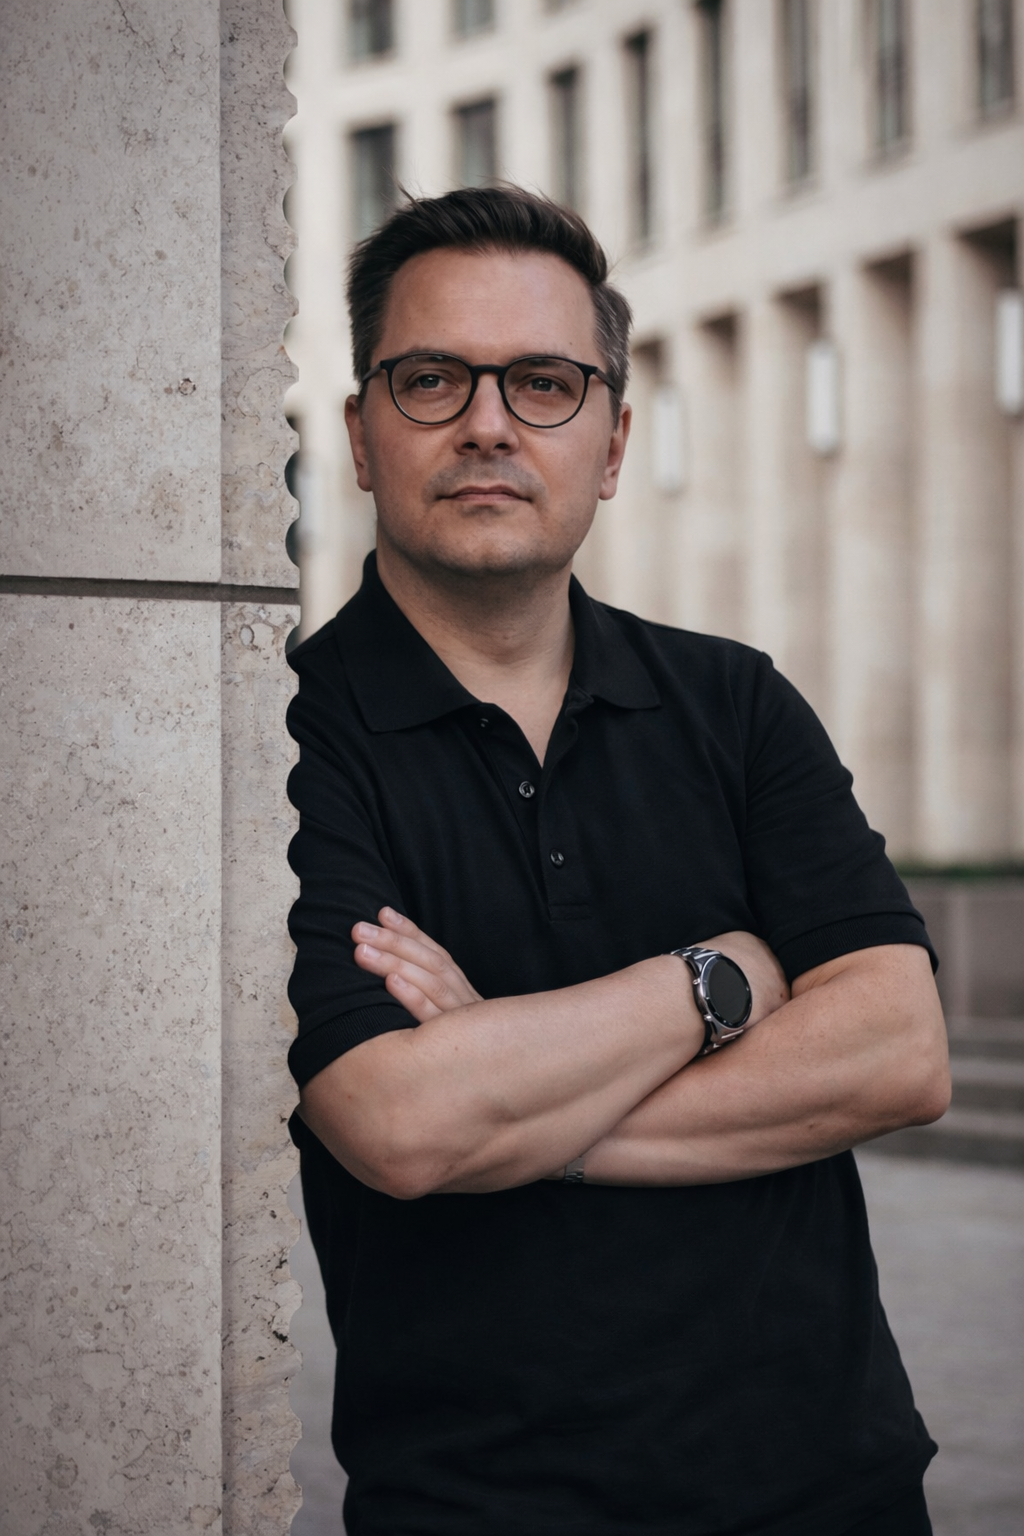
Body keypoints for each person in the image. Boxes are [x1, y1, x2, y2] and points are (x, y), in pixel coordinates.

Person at [285, 186, 950, 1536]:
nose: (487, 422)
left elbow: (897, 1053)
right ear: (358, 435)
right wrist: (720, 980)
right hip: (477, 1508)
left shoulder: (738, 705)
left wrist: (522, 1112)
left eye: (542, 382)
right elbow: (401, 1127)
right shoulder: (285, 746)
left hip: (835, 1493)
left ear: (612, 440)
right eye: (431, 380)